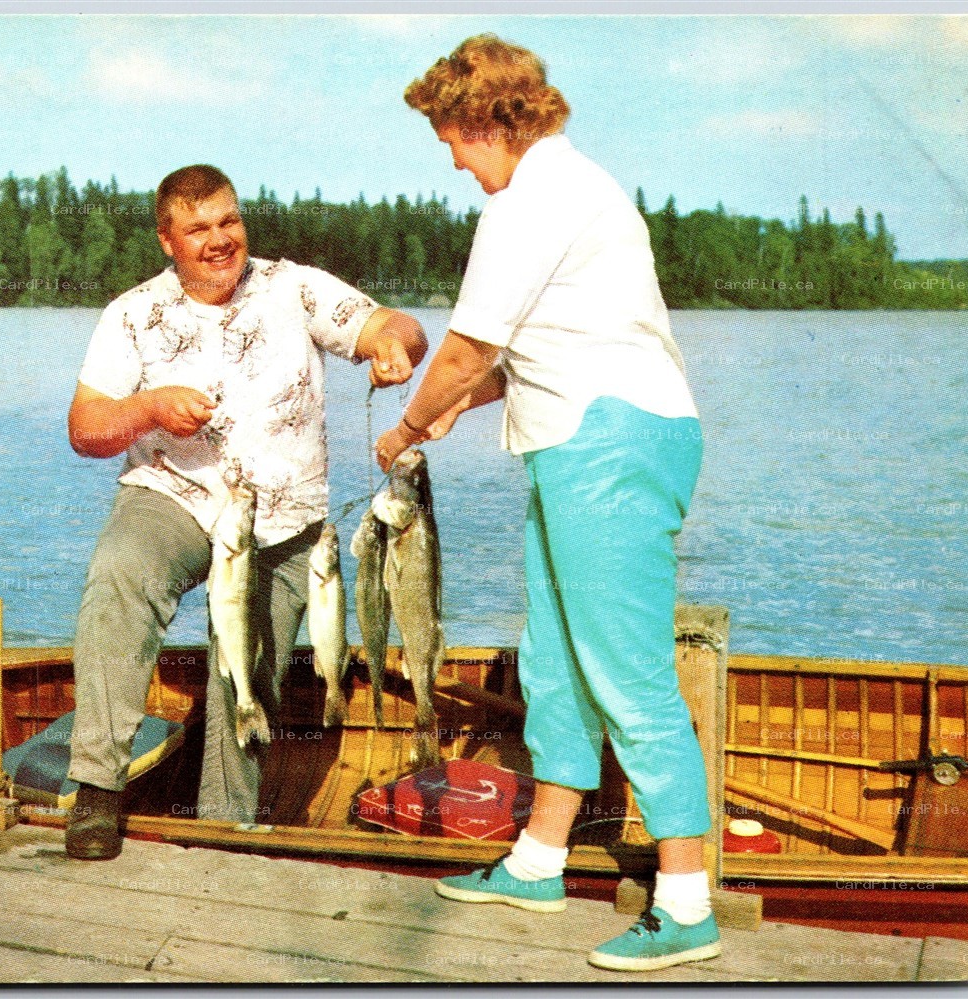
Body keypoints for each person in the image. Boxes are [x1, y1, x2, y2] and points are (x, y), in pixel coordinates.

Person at [376, 36, 719, 972]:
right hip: (582, 435)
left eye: (450, 136)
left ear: (486, 120)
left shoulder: (531, 201)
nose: (451, 158)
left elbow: (464, 349)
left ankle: (688, 904)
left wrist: (405, 429)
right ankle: (538, 859)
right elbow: (524, 353)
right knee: (559, 662)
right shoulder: (575, 189)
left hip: (607, 444)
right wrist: (454, 403)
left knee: (629, 671)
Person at [65, 164, 427, 860]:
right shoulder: (133, 312)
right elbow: (86, 427)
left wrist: (394, 346)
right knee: (120, 572)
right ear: (167, 238)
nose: (220, 239)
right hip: (174, 494)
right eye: (198, 228)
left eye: (229, 220)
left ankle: (222, 827)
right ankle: (97, 792)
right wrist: (148, 407)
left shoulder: (295, 286)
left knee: (249, 664)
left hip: (285, 516)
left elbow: (397, 326)